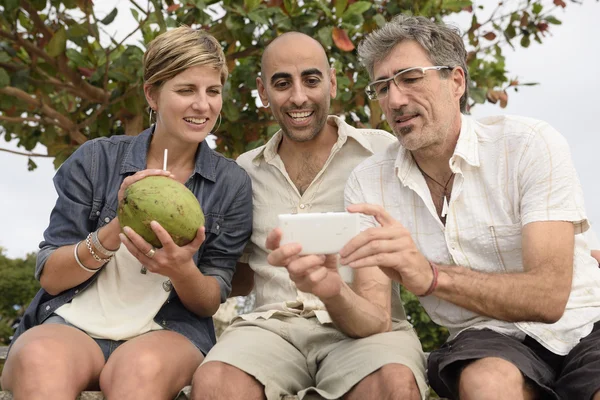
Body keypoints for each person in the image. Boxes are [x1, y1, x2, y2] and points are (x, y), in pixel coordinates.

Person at [338, 14, 600, 400]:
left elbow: (549, 297)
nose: (394, 100)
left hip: (584, 325)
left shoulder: (529, 144)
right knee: (486, 385)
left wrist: (430, 275)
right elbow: (375, 314)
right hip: (485, 340)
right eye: (381, 87)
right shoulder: (368, 182)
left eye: (410, 78)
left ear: (456, 81)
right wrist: (328, 287)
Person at [0, 27, 252, 399]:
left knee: (139, 372)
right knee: (38, 359)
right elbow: (51, 278)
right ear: (152, 93)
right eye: (186, 90)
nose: (203, 105)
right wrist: (117, 226)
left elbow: (210, 298)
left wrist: (180, 268)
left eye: (212, 91)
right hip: (73, 320)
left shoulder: (231, 183)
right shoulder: (95, 160)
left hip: (168, 330)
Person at [191, 32, 428, 400]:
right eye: (282, 83)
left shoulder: (383, 153)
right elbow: (234, 276)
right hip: (270, 329)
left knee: (394, 384)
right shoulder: (243, 171)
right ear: (262, 91)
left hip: (367, 332)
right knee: (215, 382)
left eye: (312, 80)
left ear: (332, 81)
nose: (298, 96)